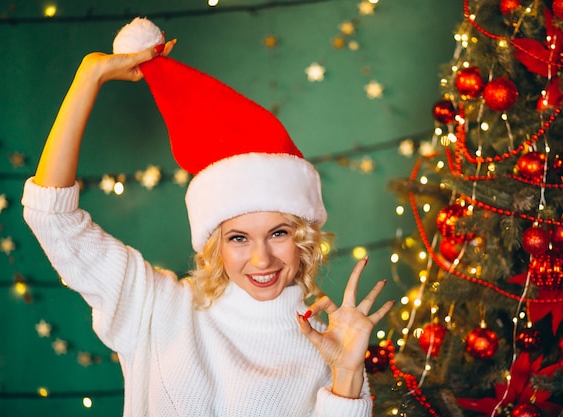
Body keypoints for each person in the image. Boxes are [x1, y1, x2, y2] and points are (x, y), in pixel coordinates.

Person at [22, 17, 393, 417]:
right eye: (238, 238)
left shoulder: (331, 346)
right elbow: (53, 217)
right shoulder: (157, 306)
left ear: (302, 237)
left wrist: (348, 374)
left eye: (278, 233)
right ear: (214, 243)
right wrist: (89, 77)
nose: (262, 259)